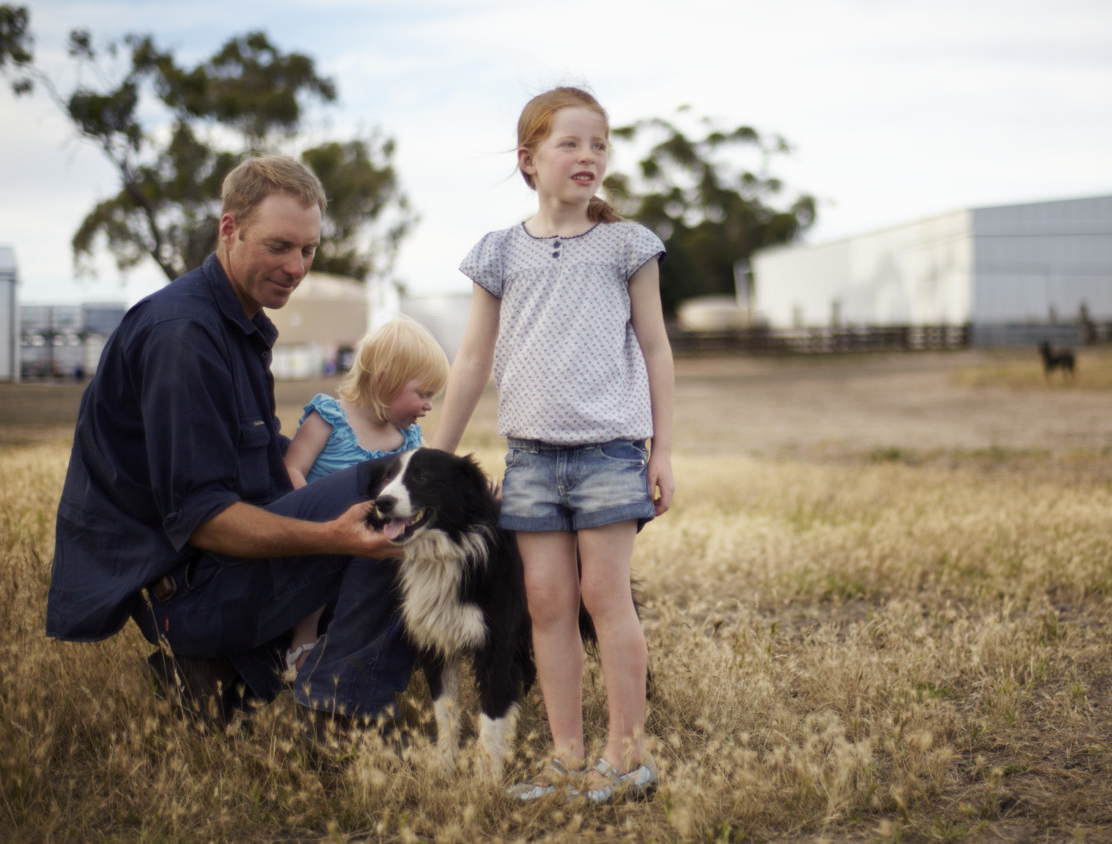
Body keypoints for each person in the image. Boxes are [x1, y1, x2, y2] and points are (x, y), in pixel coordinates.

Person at [46, 155, 417, 728]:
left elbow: (258, 477)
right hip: (187, 595)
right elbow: (204, 519)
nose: (297, 267)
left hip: (214, 578)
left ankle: (233, 673)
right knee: (398, 487)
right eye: (279, 247)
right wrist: (328, 537)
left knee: (413, 489)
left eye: (308, 250)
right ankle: (337, 712)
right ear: (229, 229)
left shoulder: (236, 327)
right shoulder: (184, 338)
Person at [429, 86, 675, 804]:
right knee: (545, 603)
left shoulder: (629, 245)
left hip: (607, 453)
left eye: (599, 143)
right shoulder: (500, 252)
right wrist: (437, 457)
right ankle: (568, 757)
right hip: (530, 460)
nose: (588, 155)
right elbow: (473, 360)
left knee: (605, 596)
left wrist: (660, 451)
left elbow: (657, 351)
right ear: (528, 159)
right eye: (570, 143)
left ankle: (626, 758)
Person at [280, 315, 449, 677]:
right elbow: (292, 466)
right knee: (318, 570)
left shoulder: (408, 441)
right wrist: (312, 521)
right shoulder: (329, 417)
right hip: (324, 532)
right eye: (423, 394)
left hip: (373, 539)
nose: (428, 405)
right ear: (386, 379)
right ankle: (303, 639)